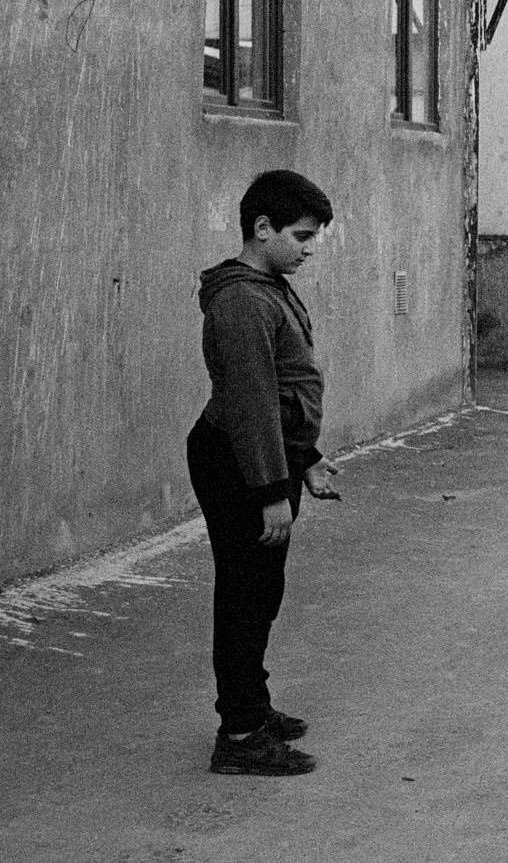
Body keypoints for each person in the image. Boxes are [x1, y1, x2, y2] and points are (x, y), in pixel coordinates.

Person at [188, 170, 341, 775]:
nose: (308, 247)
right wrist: (271, 491)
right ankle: (241, 735)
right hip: (239, 464)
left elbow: (281, 392)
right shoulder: (241, 300)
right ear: (262, 228)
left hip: (262, 460)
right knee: (246, 596)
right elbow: (252, 403)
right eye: (301, 236)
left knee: (261, 592)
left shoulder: (268, 286)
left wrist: (304, 458)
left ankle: (252, 705)